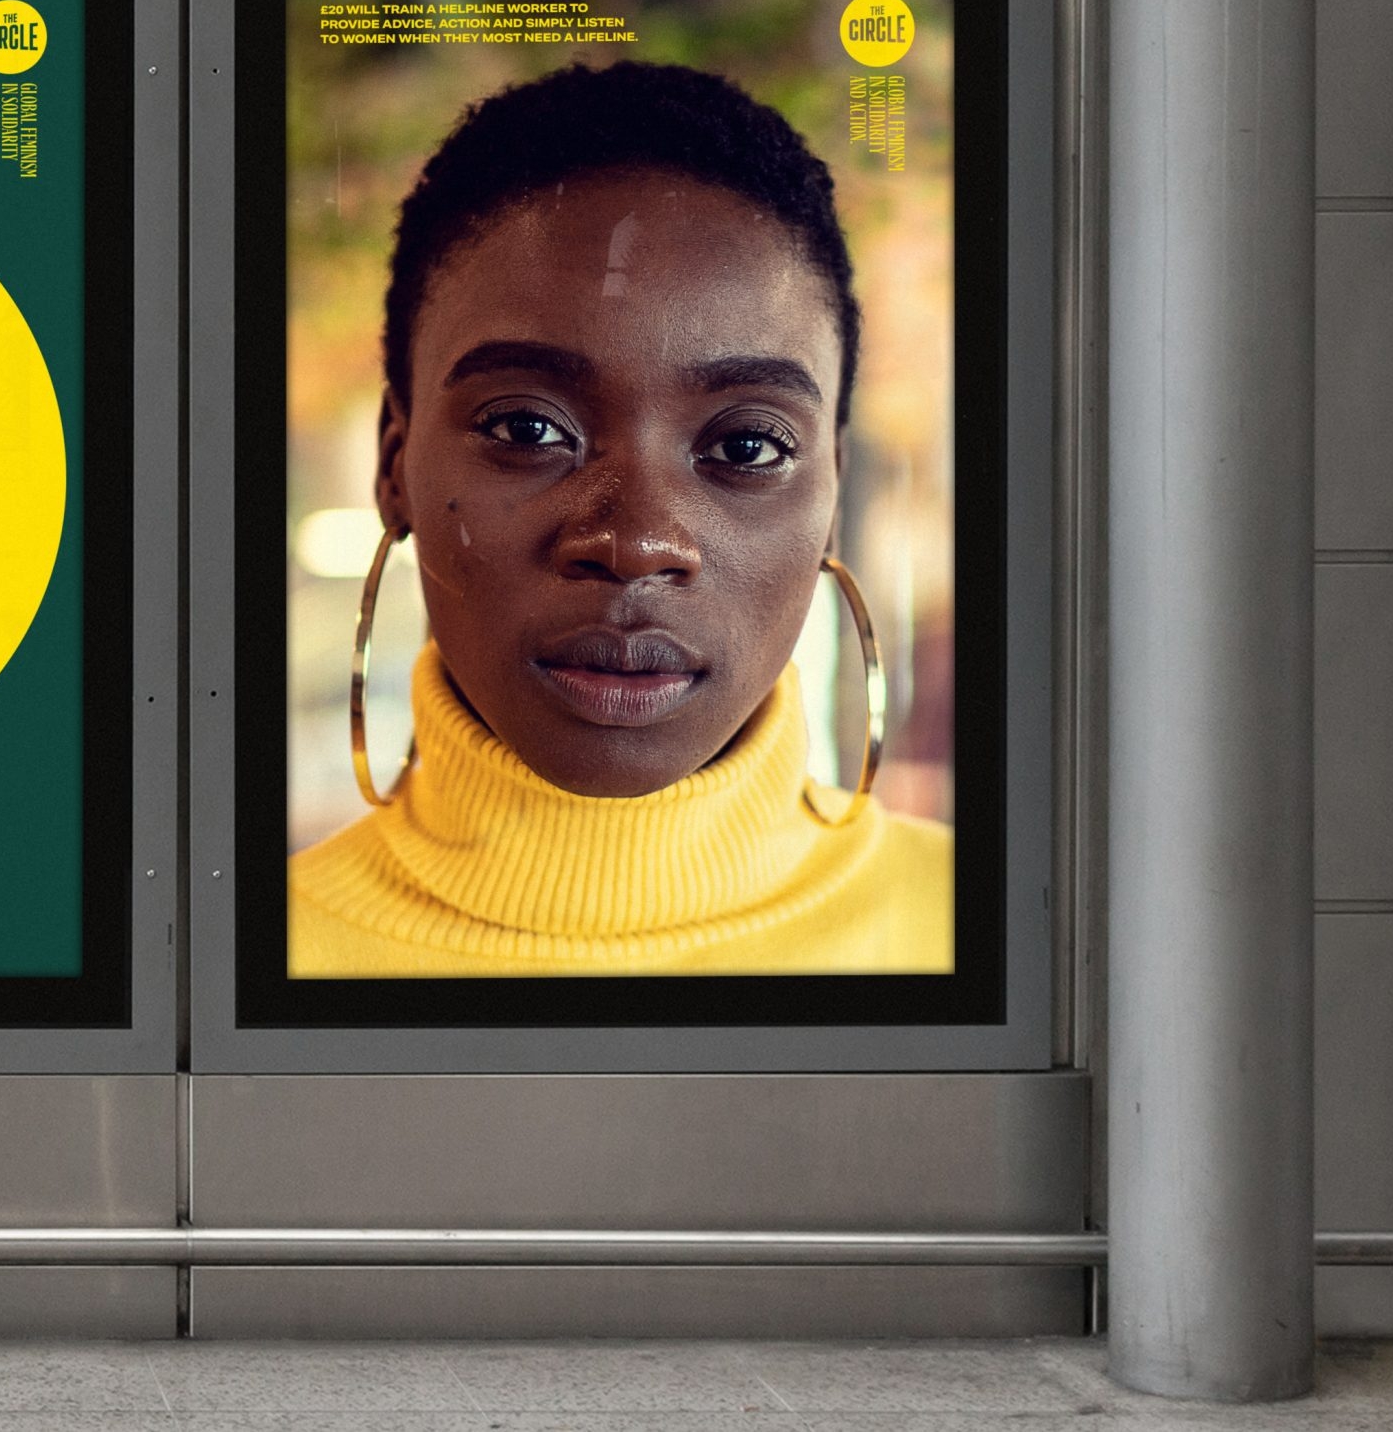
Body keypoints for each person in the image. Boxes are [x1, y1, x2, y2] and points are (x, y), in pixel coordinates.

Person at [288, 61, 951, 976]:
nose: (636, 542)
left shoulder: (1004, 947)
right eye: (526, 428)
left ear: (833, 488)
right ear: (393, 463)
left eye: (748, 447)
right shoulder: (232, 966)